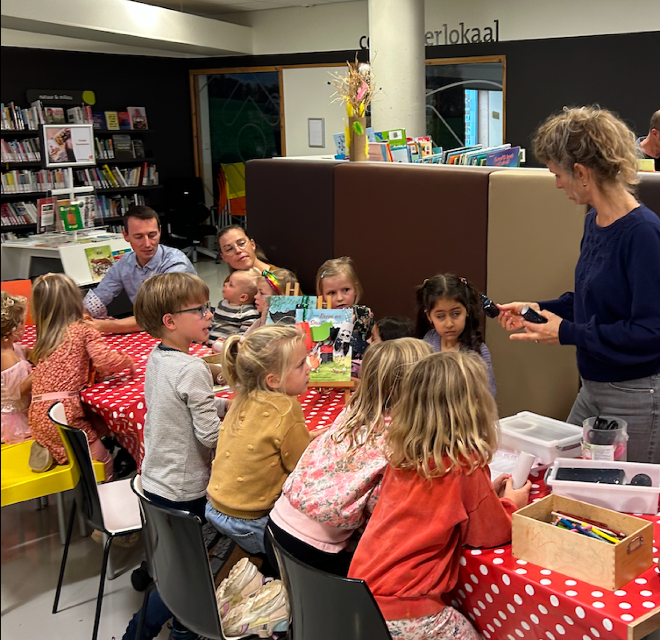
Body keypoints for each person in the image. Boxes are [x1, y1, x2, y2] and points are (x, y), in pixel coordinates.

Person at [498, 106, 660, 469]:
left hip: (641, 396)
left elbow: (656, 331)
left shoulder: (642, 232)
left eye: (558, 174)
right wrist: (537, 310)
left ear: (582, 173)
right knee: (564, 477)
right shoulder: (595, 220)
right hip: (596, 388)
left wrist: (568, 332)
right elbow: (591, 300)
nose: (557, 184)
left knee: (630, 513)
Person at [348, 351, 531, 639]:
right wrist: (511, 504)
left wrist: (487, 496)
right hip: (408, 609)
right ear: (474, 407)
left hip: (361, 596)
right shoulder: (464, 463)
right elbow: (488, 533)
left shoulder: (403, 456)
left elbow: (439, 508)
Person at [268, 338, 432, 577]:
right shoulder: (399, 441)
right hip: (313, 554)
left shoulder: (350, 413)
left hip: (274, 526)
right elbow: (380, 514)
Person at [123, 271, 229, 640]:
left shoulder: (159, 357)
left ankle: (140, 634)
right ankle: (177, 632)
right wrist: (239, 424)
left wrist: (223, 406)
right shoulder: (193, 367)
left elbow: (180, 406)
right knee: (193, 578)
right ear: (170, 322)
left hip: (155, 482)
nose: (209, 315)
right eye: (199, 310)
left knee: (179, 570)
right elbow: (209, 436)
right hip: (185, 490)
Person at [205, 325, 312, 559]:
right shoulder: (286, 408)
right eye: (301, 364)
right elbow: (302, 466)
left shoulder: (243, 396)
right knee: (306, 549)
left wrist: (311, 436)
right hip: (250, 520)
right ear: (273, 380)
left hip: (213, 506)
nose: (309, 368)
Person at [27, 274, 134, 478]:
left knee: (90, 430)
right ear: (75, 300)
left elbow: (85, 365)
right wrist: (127, 362)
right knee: (102, 460)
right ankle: (101, 497)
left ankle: (54, 449)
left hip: (38, 415)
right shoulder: (84, 330)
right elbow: (105, 359)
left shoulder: (46, 338)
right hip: (65, 414)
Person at [83, 206, 197, 334]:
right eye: (139, 237)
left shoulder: (175, 263)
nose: (147, 244)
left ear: (160, 231)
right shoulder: (125, 263)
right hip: (154, 331)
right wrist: (83, 315)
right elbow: (98, 299)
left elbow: (156, 316)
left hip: (186, 331)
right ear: (126, 236)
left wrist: (106, 326)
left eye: (152, 235)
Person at [416, 274, 496, 396]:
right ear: (429, 316)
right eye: (440, 316)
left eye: (456, 314)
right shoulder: (425, 345)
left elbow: (488, 395)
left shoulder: (479, 351)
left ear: (467, 310)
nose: (449, 324)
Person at [316, 256, 375, 375]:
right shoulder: (317, 319)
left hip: (359, 377)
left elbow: (374, 344)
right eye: (331, 293)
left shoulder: (365, 315)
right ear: (321, 295)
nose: (340, 298)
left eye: (346, 290)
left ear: (356, 288)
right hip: (327, 376)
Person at [1, 292, 32, 444]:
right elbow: (17, 392)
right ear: (11, 330)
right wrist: (42, 370)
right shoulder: (6, 357)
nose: (24, 326)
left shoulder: (11, 348)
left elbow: (25, 351)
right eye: (21, 322)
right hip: (14, 419)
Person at [209, 270, 261, 349]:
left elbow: (244, 336)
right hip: (208, 345)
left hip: (226, 349)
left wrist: (228, 343)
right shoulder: (222, 304)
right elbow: (212, 322)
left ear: (243, 297)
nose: (225, 284)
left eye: (230, 285)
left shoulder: (248, 313)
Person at [243, 267, 300, 338]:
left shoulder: (288, 326)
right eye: (257, 292)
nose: (255, 296)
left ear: (279, 299)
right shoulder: (258, 322)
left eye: (261, 293)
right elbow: (244, 341)